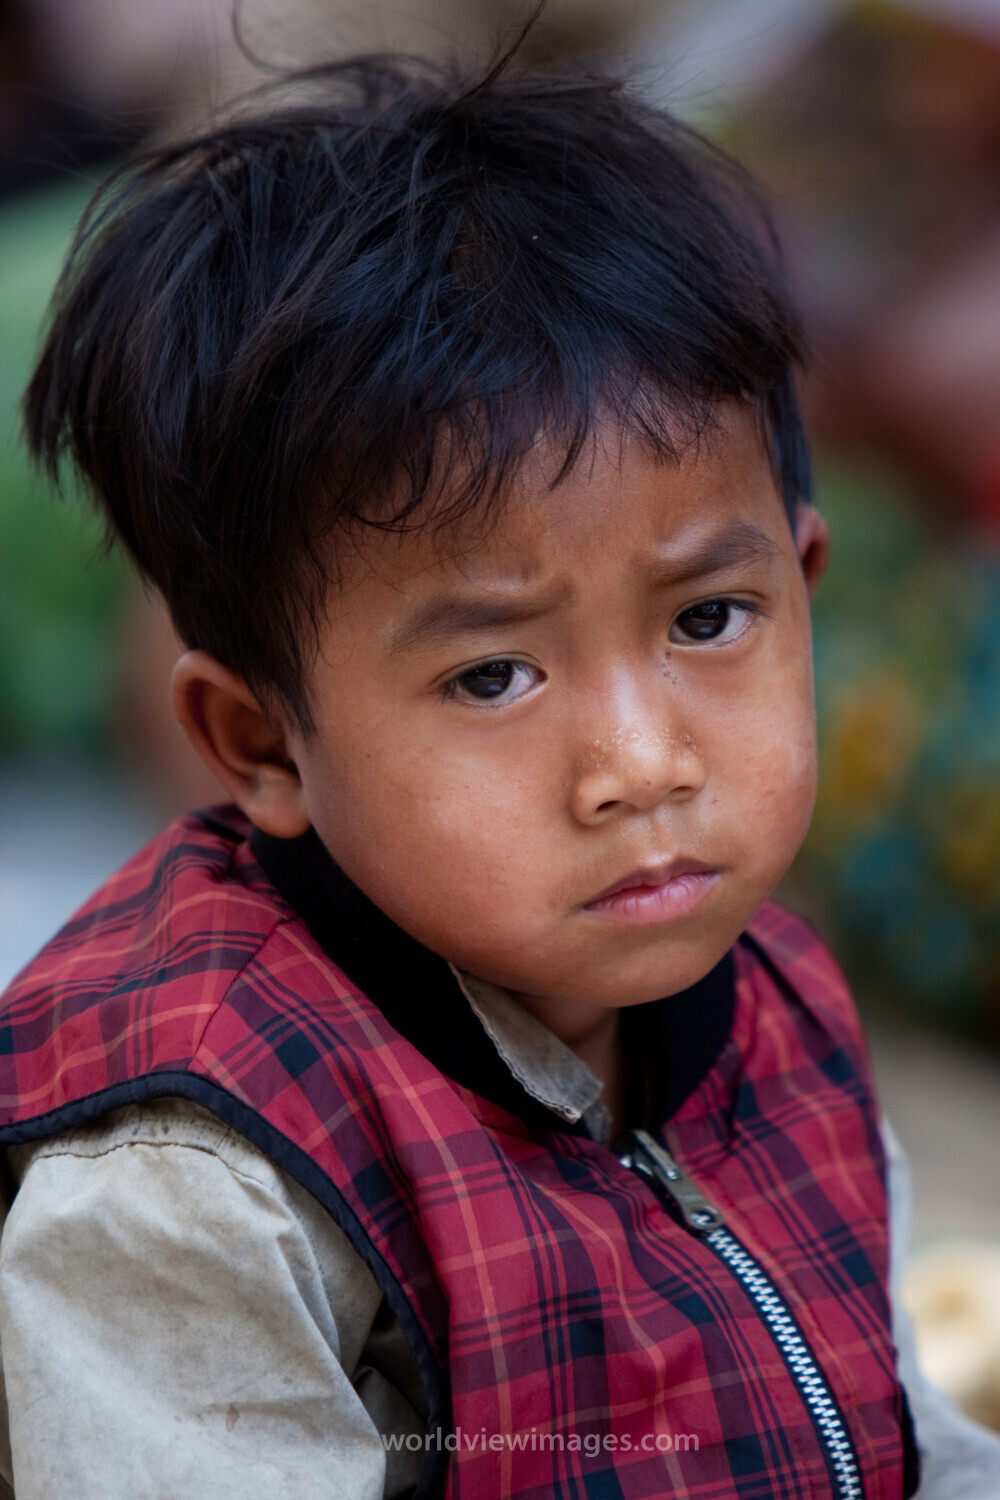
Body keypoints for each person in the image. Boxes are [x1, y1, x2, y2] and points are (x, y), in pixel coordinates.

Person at [0, 46, 997, 1500]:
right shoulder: (202, 1185)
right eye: (493, 675)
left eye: (709, 620)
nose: (642, 765)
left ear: (805, 580)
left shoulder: (774, 1005)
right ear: (259, 741)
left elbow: (901, 1429)